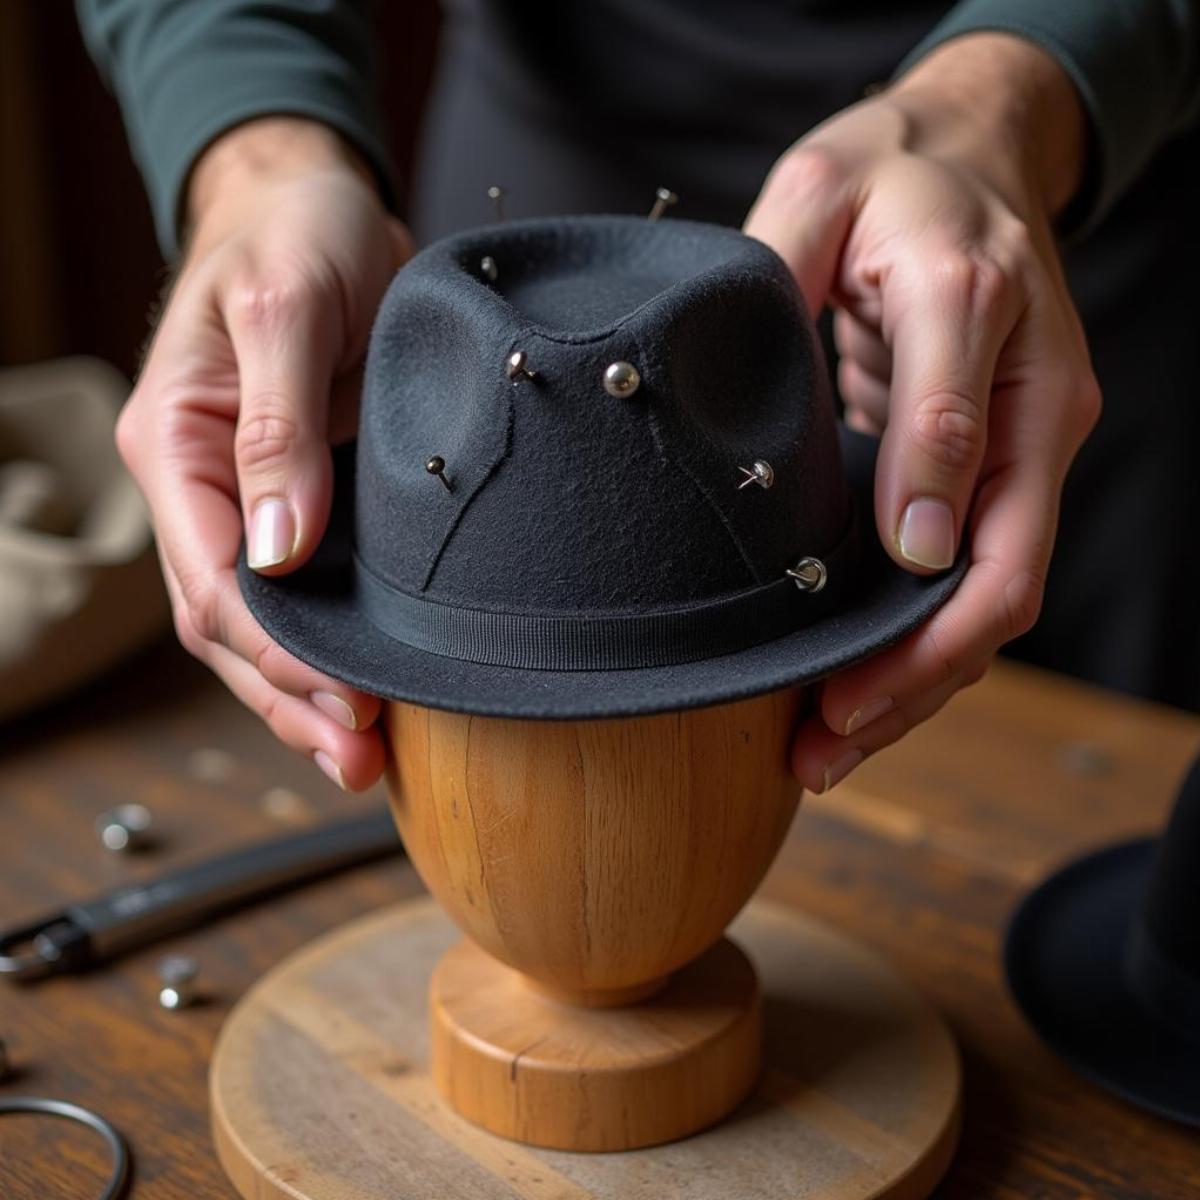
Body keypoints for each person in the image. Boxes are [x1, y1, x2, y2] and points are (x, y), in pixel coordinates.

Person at [77, 0, 1200, 794]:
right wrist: (257, 148)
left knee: (1083, 789)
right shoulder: (460, 338)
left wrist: (1020, 91)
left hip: (1044, 232)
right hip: (539, 162)